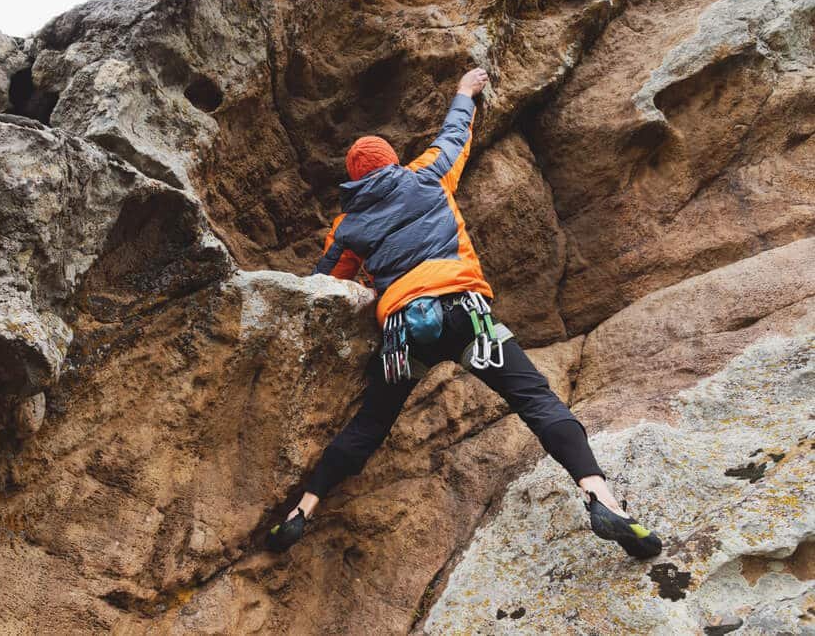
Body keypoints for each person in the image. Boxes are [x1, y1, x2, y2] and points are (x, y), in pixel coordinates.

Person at [266, 68, 662, 559]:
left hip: (404, 336)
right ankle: (604, 500)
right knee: (536, 399)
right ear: (391, 162)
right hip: (465, 314)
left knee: (369, 425)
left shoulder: (346, 227)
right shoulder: (426, 174)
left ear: (354, 178)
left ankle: (301, 509)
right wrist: (464, 92)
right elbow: (455, 136)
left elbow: (323, 285)